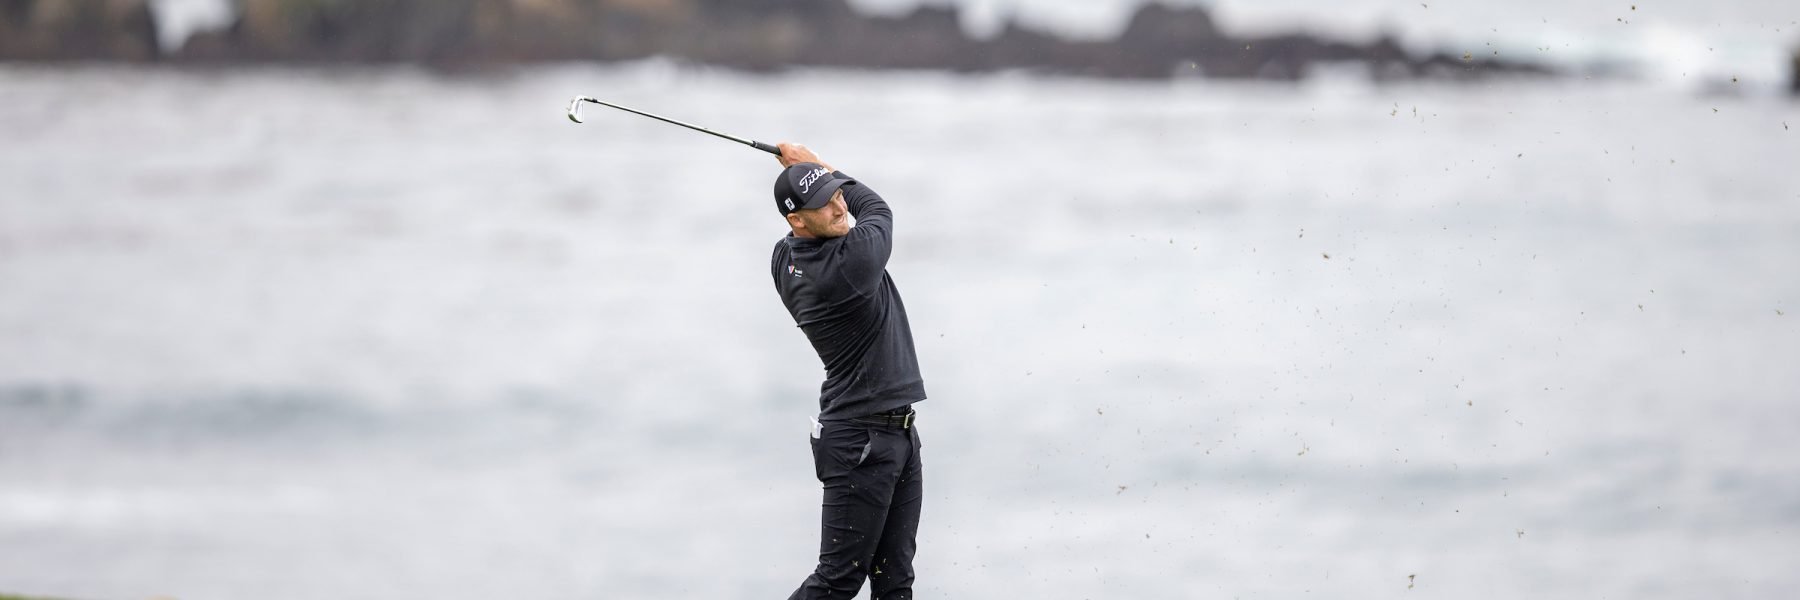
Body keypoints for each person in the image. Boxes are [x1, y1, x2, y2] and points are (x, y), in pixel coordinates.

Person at [769, 142, 927, 600]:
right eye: (823, 204)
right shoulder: (850, 263)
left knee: (895, 579)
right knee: (837, 580)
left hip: (893, 433)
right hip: (861, 439)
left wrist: (815, 177)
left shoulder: (786, 256)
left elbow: (845, 209)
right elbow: (877, 209)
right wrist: (818, 165)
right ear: (797, 220)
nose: (839, 206)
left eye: (837, 194)